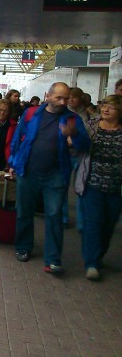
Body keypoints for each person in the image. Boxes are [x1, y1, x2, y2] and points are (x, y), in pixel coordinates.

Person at [8, 82, 90, 274]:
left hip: (55, 175)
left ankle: (53, 259)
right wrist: (12, 162)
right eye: (58, 97)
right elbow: (17, 139)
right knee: (24, 212)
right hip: (27, 171)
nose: (63, 102)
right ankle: (23, 248)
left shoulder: (72, 119)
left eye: (66, 98)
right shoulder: (31, 114)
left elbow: (85, 145)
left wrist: (74, 135)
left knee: (53, 216)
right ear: (48, 96)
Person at [74, 95, 122, 281]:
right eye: (104, 105)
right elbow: (79, 146)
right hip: (92, 183)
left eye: (112, 107)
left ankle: (98, 255)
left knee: (108, 226)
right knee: (93, 223)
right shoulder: (92, 127)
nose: (106, 109)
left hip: (116, 188)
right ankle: (91, 262)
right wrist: (72, 138)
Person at [64, 87, 99, 230]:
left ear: (81, 98)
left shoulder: (89, 114)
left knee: (81, 187)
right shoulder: (63, 112)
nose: (71, 100)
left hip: (83, 153)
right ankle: (63, 218)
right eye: (69, 97)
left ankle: (82, 222)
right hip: (66, 152)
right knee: (62, 186)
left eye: (74, 97)